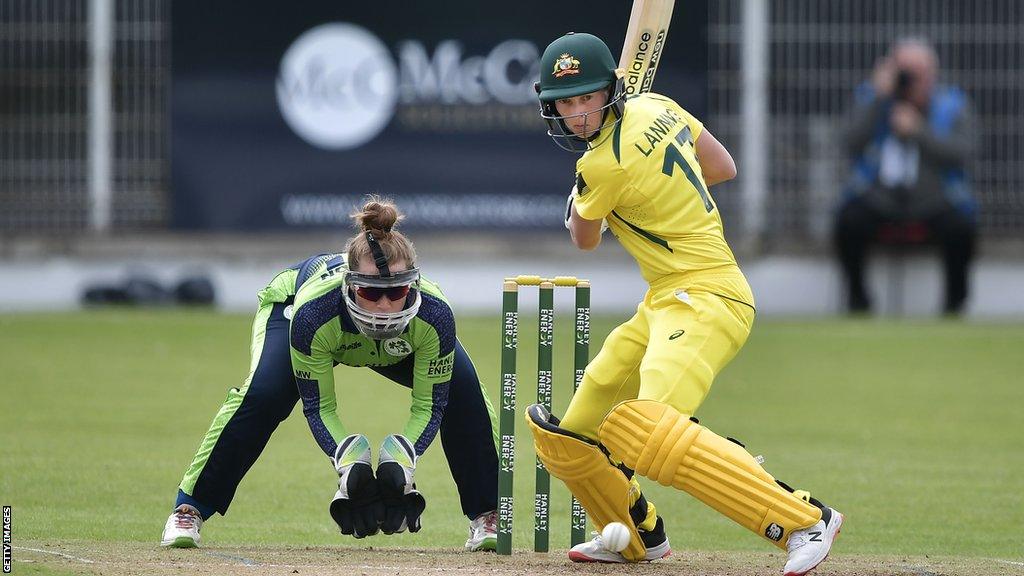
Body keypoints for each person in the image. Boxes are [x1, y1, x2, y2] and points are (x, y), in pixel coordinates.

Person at [524, 32, 843, 576]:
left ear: (610, 91)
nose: (578, 114)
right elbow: (721, 166)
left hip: (707, 297)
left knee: (649, 429)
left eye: (587, 98)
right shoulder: (657, 105)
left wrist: (582, 199)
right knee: (574, 435)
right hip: (663, 300)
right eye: (567, 101)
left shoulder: (599, 168)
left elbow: (585, 240)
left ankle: (803, 520)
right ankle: (636, 536)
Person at [161, 198, 500, 551]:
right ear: (350, 285)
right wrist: (348, 457)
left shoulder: (435, 315)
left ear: (412, 285)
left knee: (463, 389)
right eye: (370, 292)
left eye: (396, 292)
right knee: (263, 395)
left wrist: (402, 456)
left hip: (400, 342)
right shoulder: (313, 314)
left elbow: (431, 404)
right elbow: (319, 406)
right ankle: (189, 508)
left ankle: (487, 514)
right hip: (300, 312)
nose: (384, 307)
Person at [835, 38, 977, 315]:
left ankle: (954, 306)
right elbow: (849, 143)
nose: (910, 81)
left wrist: (919, 131)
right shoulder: (872, 99)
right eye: (904, 72)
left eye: (918, 73)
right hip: (881, 199)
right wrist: (878, 99)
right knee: (849, 220)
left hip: (934, 201)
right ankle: (858, 303)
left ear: (932, 74)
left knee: (961, 226)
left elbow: (963, 151)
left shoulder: (952, 104)